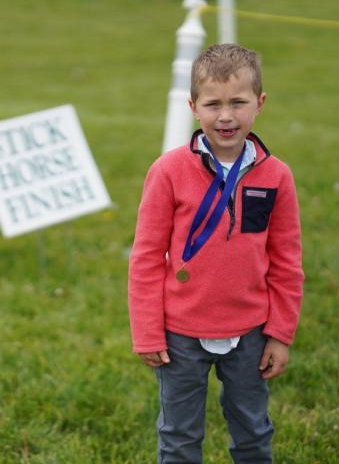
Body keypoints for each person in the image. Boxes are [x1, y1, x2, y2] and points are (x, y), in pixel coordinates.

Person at [128, 44, 303, 463]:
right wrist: (148, 331)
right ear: (193, 106)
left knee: (253, 430)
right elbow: (147, 258)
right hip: (179, 334)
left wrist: (280, 332)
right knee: (179, 436)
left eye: (238, 103)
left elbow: (287, 262)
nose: (226, 116)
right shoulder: (167, 171)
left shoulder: (277, 176)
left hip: (250, 331)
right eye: (213, 104)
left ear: (259, 104)